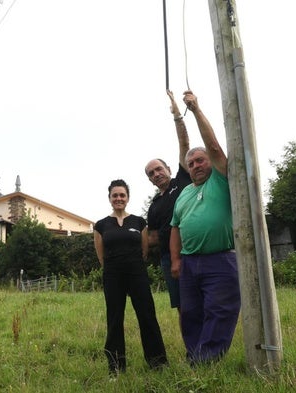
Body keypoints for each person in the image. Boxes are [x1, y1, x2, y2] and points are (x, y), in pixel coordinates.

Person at [169, 90, 241, 365]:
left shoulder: (220, 179)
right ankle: (195, 356)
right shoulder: (185, 193)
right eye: (191, 164)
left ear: (209, 161)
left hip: (220, 259)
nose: (196, 165)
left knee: (219, 311)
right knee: (191, 313)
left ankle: (206, 361)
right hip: (189, 263)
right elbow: (176, 227)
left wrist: (195, 109)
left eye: (200, 160)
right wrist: (176, 259)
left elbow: (213, 146)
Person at [94, 179, 168, 375]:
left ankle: (158, 363)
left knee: (147, 316)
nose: (118, 198)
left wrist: (133, 264)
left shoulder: (138, 222)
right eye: (115, 195)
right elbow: (101, 255)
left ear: (127, 198)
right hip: (113, 275)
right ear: (109, 198)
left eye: (122, 195)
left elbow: (144, 250)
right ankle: (116, 368)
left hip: (137, 273)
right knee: (115, 319)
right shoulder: (101, 225)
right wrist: (114, 267)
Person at [145, 90, 191, 312]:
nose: (156, 174)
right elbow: (151, 237)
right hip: (167, 259)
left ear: (169, 169)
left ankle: (208, 346)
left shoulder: (181, 180)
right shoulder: (153, 205)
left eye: (159, 169)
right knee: (182, 306)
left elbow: (184, 143)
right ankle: (191, 347)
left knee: (200, 302)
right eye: (151, 173)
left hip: (192, 250)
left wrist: (177, 115)